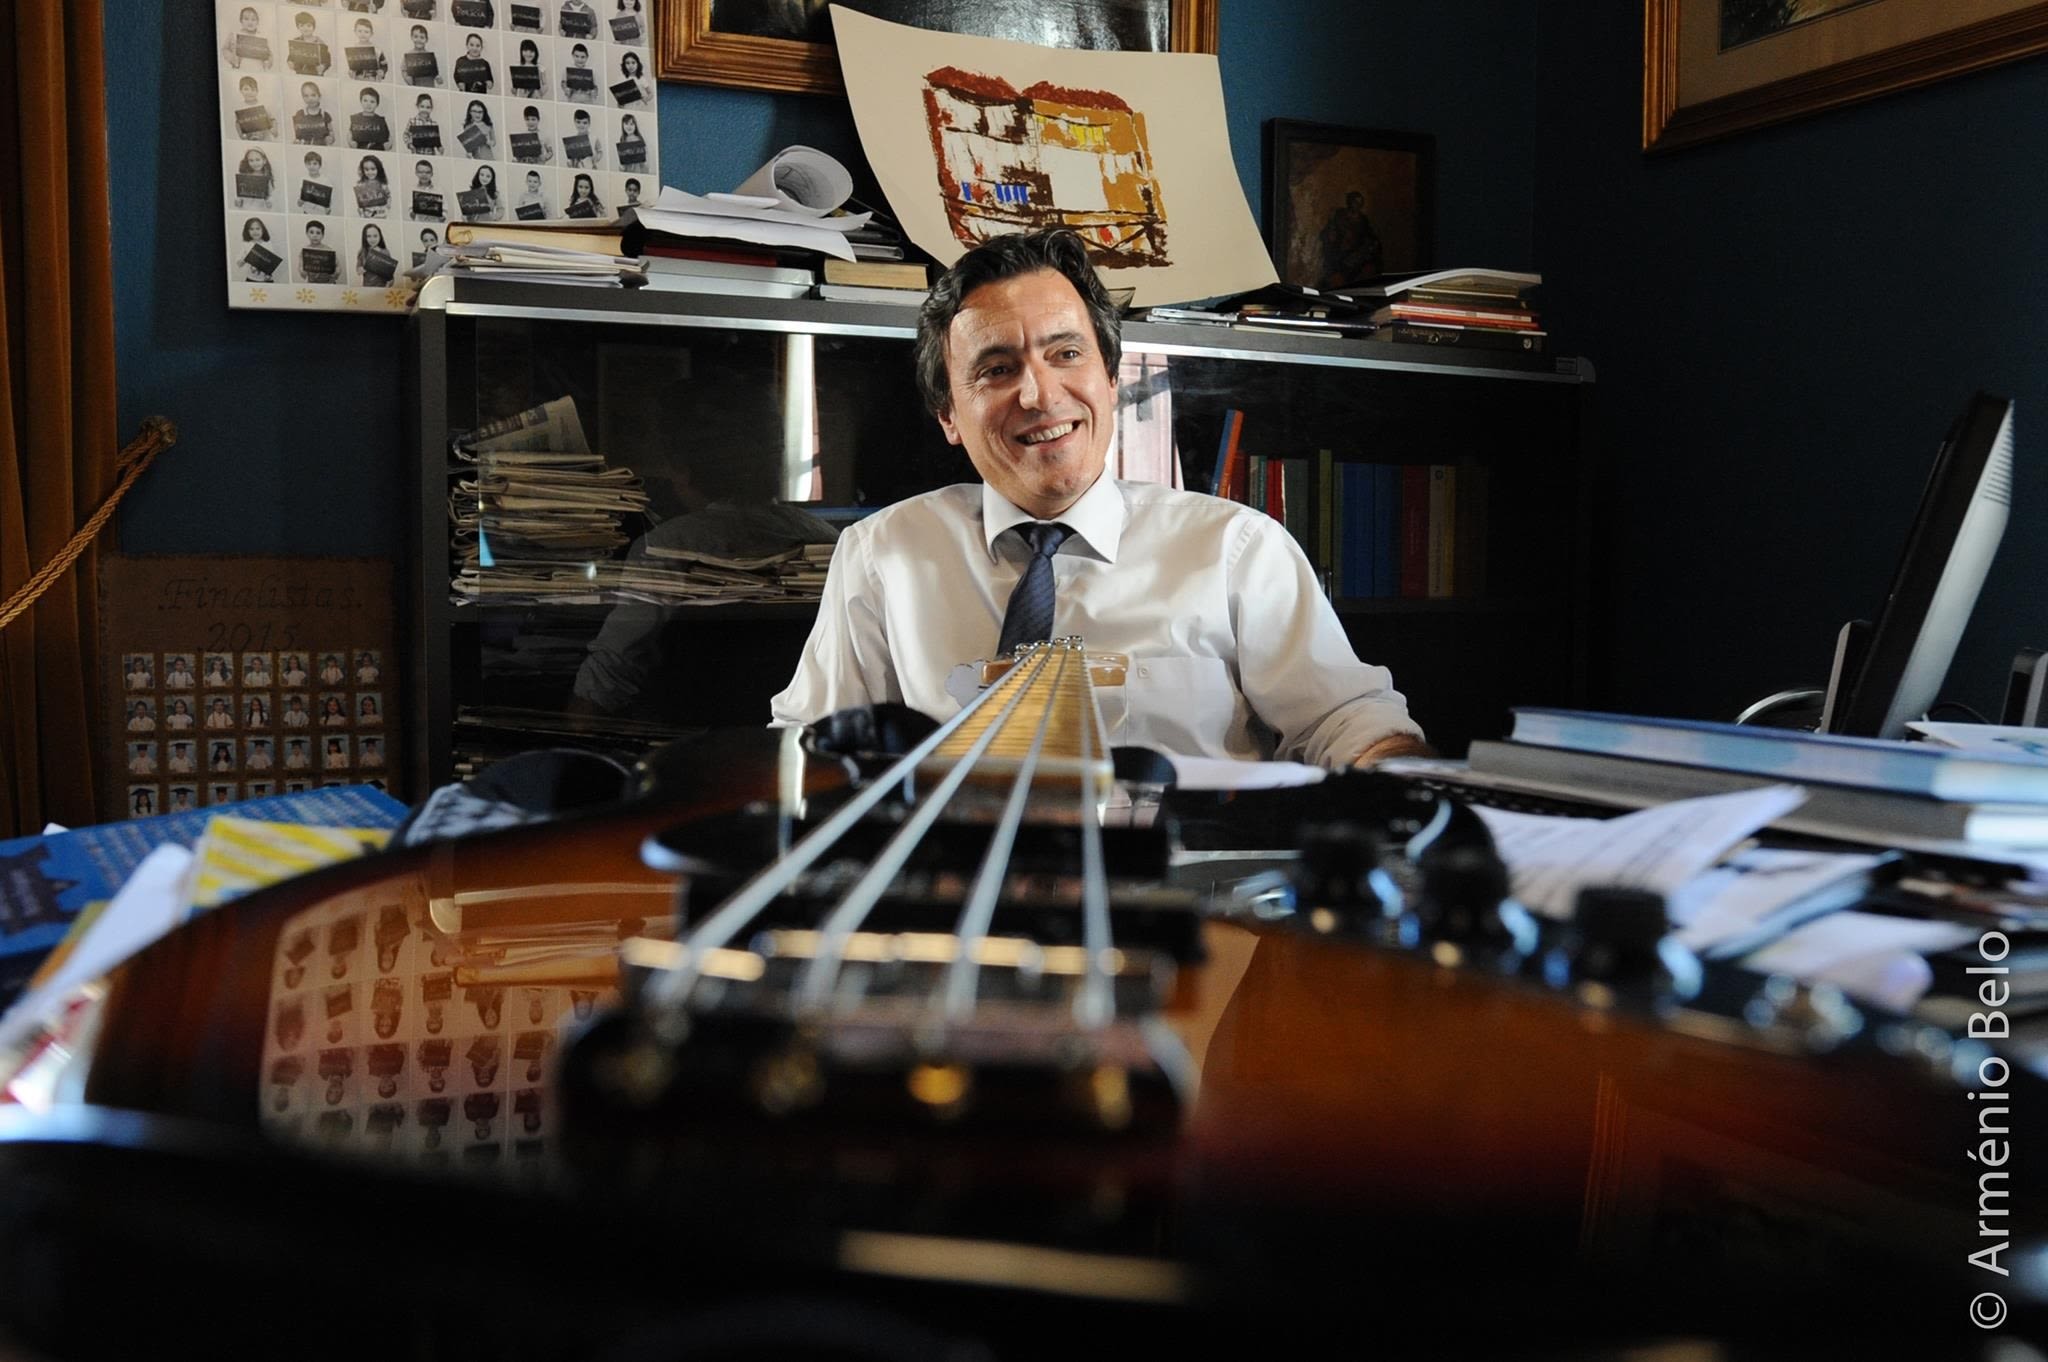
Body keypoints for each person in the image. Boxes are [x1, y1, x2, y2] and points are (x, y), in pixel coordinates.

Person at [770, 228, 1429, 769]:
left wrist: (1393, 777)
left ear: (1111, 379)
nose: (1039, 395)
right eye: (997, 369)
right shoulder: (881, 555)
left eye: (1066, 354)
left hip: (1183, 874)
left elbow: (1345, 720)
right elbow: (809, 748)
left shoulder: (1237, 550)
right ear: (948, 414)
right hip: (960, 877)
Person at [1316, 191, 1382, 291]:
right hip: (1341, 251)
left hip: (1356, 251)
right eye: (1355, 202)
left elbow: (1369, 234)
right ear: (1349, 202)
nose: (1358, 205)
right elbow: (1330, 232)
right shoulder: (1339, 215)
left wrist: (1373, 243)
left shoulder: (1363, 219)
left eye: (1360, 203)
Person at [221, 5, 274, 69]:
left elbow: (269, 54)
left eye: (253, 19)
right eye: (246, 19)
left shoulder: (262, 37)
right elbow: (225, 49)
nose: (250, 22)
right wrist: (233, 59)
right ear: (241, 21)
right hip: (240, 68)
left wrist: (267, 63)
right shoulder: (234, 35)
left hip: (258, 68)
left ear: (257, 22)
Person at [286, 11, 331, 77]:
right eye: (302, 26)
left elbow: (327, 60)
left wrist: (323, 66)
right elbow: (291, 56)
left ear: (313, 27)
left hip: (315, 74)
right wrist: (290, 62)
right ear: (298, 27)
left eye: (308, 26)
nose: (305, 29)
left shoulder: (320, 43)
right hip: (300, 74)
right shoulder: (296, 41)